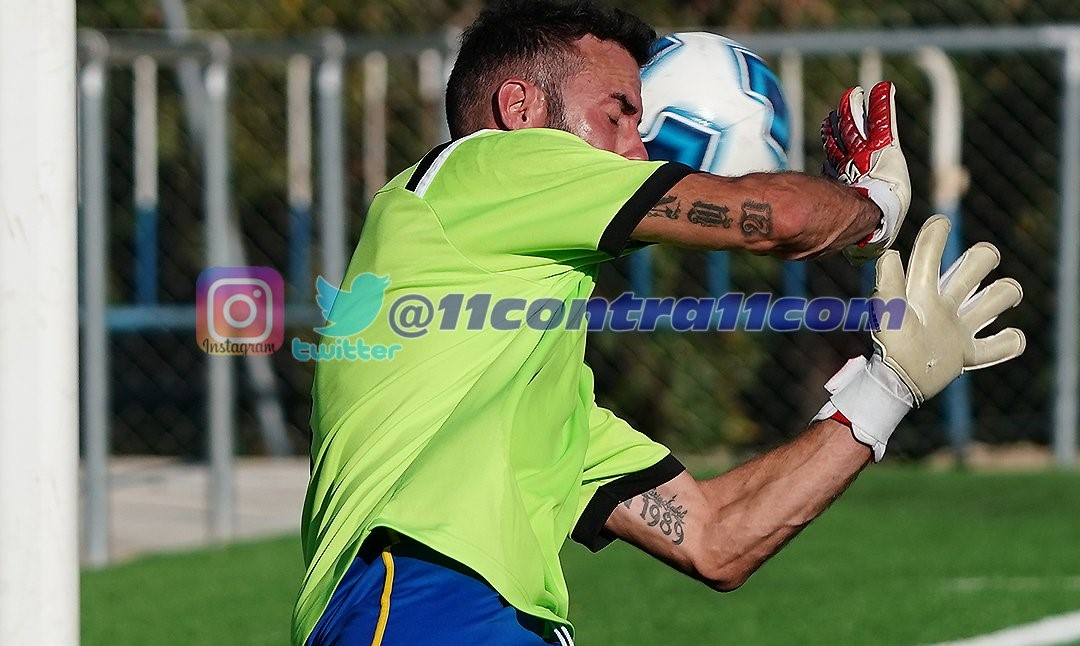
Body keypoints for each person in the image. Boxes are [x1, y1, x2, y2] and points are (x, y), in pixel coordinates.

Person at [292, 1, 1026, 645]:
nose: (637, 149)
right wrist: (875, 209)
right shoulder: (480, 168)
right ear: (519, 110)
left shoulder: (530, 398)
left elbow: (715, 539)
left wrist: (887, 388)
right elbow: (780, 217)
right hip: (424, 598)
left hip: (464, 612)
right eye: (617, 113)